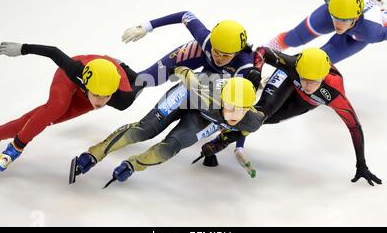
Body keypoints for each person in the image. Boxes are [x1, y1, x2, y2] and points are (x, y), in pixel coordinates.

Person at [201, 47, 382, 186]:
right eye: (305, 79)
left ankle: (224, 135)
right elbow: (263, 51)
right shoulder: (293, 65)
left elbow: (354, 127)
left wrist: (361, 164)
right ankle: (218, 131)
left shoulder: (334, 93)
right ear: (299, 69)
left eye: (314, 81)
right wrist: (257, 69)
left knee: (268, 120)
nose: (308, 85)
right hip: (288, 78)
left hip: (306, 101)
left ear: (323, 77)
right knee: (262, 113)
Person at [0, 42, 143, 178]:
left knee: (44, 120)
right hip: (70, 79)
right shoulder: (75, 70)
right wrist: (22, 48)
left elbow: (142, 81)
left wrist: (126, 68)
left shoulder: (122, 99)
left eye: (106, 96)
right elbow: (53, 52)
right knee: (54, 108)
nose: (101, 102)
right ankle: (16, 147)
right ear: (87, 86)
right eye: (97, 95)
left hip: (100, 82)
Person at [69, 66, 265, 185]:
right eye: (230, 108)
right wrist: (173, 69)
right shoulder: (204, 92)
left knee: (174, 144)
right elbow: (183, 72)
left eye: (241, 110)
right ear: (222, 100)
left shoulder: (253, 120)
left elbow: (242, 130)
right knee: (145, 130)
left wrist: (221, 142)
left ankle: (133, 165)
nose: (234, 115)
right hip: (187, 95)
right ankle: (94, 154)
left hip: (207, 117)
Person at [265, 0, 387, 63]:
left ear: (355, 18)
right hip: (330, 13)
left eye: (344, 20)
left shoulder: (372, 31)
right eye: (336, 18)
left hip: (358, 35)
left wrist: (383, 12)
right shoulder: (333, 1)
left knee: (319, 60)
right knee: (293, 38)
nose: (338, 24)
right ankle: (260, 54)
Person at [122, 11, 257, 87]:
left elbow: (240, 109)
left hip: (222, 76)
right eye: (216, 51)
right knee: (145, 78)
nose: (219, 58)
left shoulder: (244, 66)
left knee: (200, 100)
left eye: (226, 55)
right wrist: (146, 26)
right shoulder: (205, 39)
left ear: (237, 52)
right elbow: (185, 15)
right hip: (200, 53)